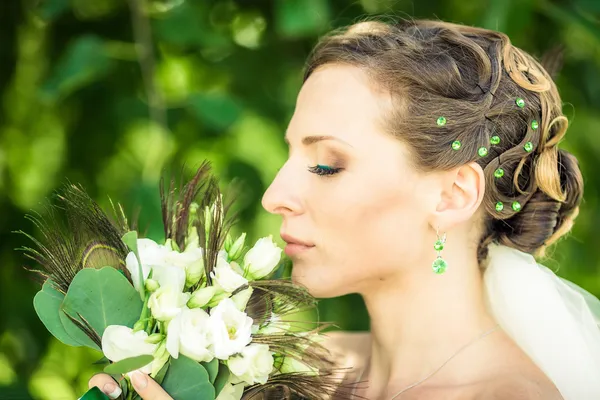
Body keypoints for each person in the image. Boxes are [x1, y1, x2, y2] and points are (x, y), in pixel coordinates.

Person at [89, 19, 600, 400]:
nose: (274, 195)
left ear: (451, 196)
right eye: (292, 154)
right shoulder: (279, 371)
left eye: (328, 164)